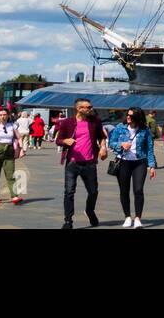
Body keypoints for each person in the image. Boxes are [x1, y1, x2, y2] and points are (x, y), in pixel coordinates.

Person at [56, 98, 108, 229]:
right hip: (72, 164)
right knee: (69, 192)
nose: (90, 109)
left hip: (89, 163)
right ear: (79, 109)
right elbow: (58, 140)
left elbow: (101, 136)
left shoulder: (94, 121)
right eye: (87, 107)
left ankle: (90, 211)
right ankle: (68, 221)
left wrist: (103, 148)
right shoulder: (67, 123)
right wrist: (65, 141)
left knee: (93, 192)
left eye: (90, 107)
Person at [108, 106, 156, 228]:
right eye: (127, 115)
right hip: (123, 162)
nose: (128, 117)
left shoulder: (144, 130)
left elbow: (150, 148)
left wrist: (152, 166)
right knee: (124, 191)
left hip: (140, 162)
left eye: (131, 115)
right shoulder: (120, 127)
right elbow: (111, 143)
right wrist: (121, 144)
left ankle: (138, 219)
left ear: (138, 117)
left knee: (138, 190)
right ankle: (127, 217)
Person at [0, 109, 24, 205]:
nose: (3, 116)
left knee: (11, 174)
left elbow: (19, 137)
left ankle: (14, 196)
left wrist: (21, 149)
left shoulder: (12, 126)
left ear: (8, 115)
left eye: (5, 114)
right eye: (1, 114)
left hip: (9, 152)